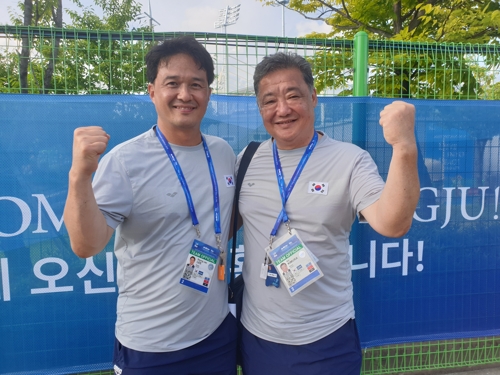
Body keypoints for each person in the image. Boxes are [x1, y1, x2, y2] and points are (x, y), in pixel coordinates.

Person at [236, 52, 420, 375]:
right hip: (257, 338)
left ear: (313, 97)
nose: (282, 109)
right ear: (260, 108)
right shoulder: (247, 159)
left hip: (327, 340)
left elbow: (393, 223)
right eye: (269, 100)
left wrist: (404, 147)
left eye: (293, 95)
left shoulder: (350, 160)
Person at [63, 36, 237, 375]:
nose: (185, 95)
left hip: (216, 335)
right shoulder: (125, 161)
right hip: (150, 346)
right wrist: (79, 175)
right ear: (152, 91)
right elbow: (86, 245)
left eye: (196, 85)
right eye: (172, 83)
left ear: (208, 94)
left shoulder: (222, 152)